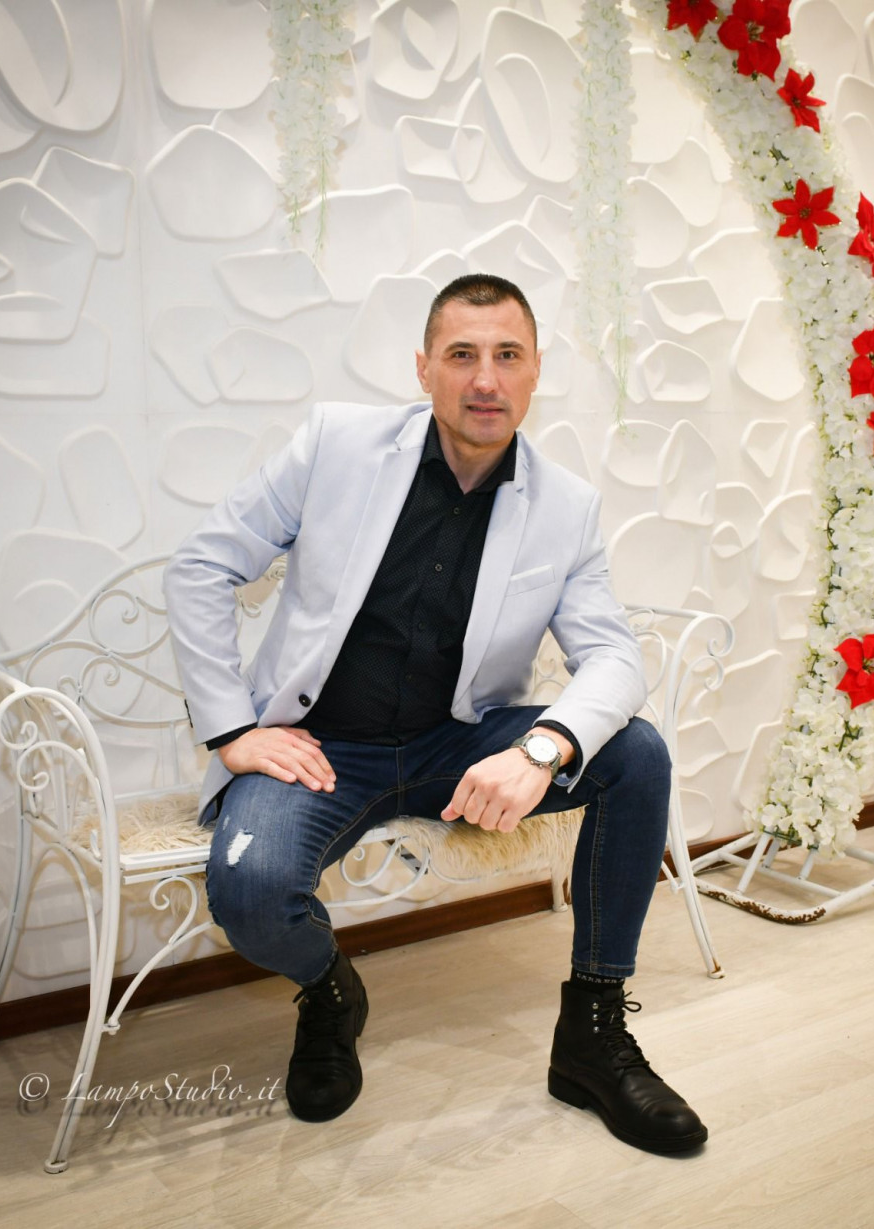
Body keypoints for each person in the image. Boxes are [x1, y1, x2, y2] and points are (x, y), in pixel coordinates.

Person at [164, 273, 707, 1155]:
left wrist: (542, 748)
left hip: (457, 743)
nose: (485, 379)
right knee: (250, 890)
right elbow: (201, 566)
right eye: (462, 355)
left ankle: (593, 1033)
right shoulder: (336, 445)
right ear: (424, 369)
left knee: (635, 755)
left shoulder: (565, 506)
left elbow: (614, 656)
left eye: (507, 355)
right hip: (320, 747)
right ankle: (330, 992)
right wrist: (233, 729)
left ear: (536, 372)